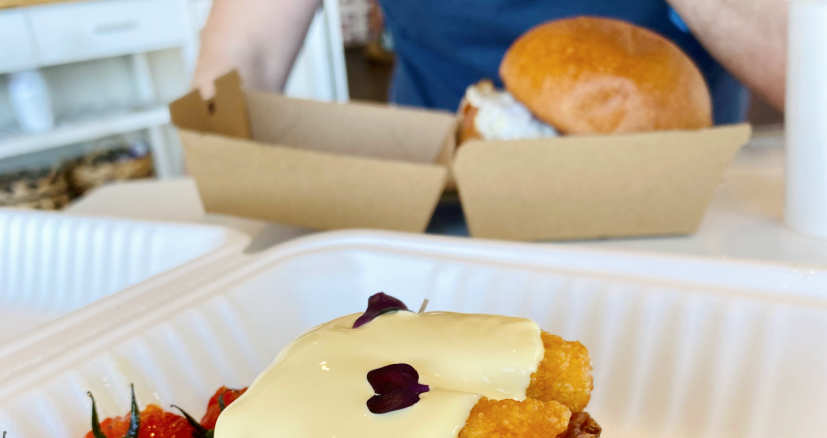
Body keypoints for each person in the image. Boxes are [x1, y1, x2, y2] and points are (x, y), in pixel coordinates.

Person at [194, 0, 786, 125]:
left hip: (677, 208)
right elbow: (244, 52)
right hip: (441, 211)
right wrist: (216, 161)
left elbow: (802, 79)